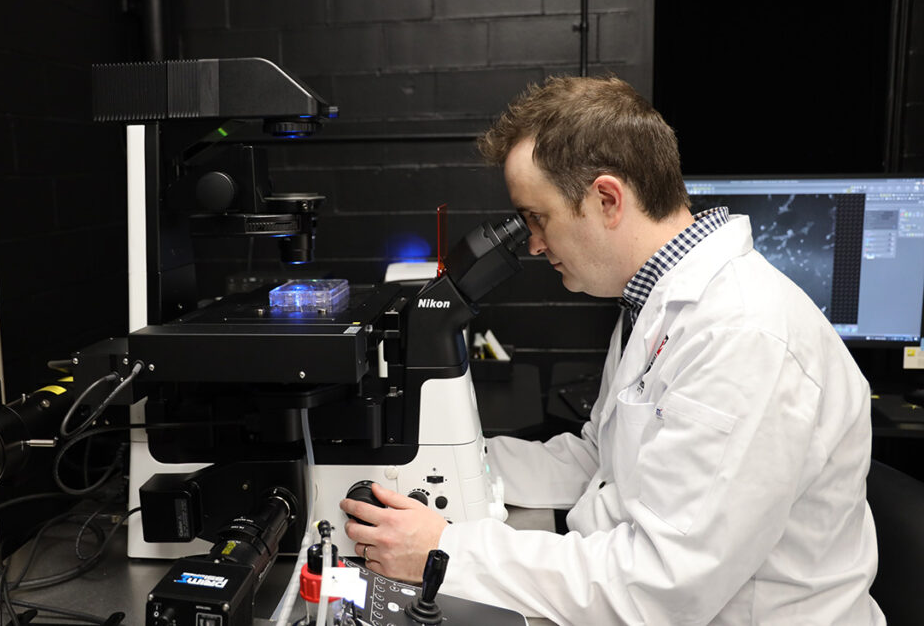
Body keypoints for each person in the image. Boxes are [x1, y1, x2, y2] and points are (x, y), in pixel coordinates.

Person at [340, 75, 883, 625]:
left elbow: (661, 588)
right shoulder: (651, 303)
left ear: (606, 198)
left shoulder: (745, 336)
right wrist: (443, 465)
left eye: (537, 217)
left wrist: (445, 550)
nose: (532, 244)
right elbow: (602, 459)